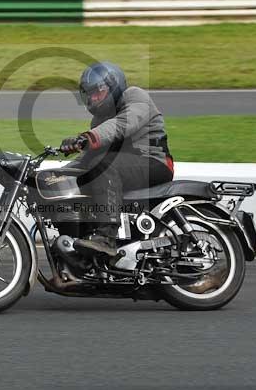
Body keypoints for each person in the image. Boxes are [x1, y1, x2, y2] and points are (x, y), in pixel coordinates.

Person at [60, 61, 174, 256]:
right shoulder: (99, 120)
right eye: (89, 94)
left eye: (99, 92)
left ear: (114, 86)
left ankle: (106, 236)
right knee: (84, 175)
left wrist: (87, 138)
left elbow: (122, 125)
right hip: (126, 166)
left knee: (103, 165)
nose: (94, 98)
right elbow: (86, 158)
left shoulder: (135, 96)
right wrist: (57, 176)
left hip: (154, 162)